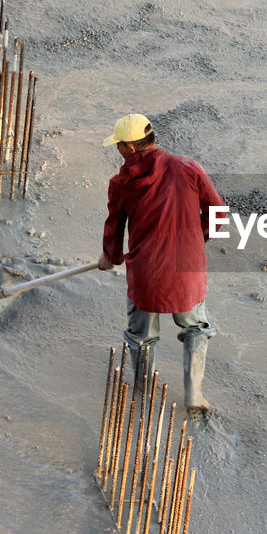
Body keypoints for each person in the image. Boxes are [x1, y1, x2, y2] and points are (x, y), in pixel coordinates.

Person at [99, 113, 224, 412]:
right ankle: (194, 393)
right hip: (187, 271)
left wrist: (110, 256)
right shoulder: (188, 168)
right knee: (196, 329)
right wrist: (196, 239)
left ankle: (143, 393)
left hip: (146, 274)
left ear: (130, 147)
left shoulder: (121, 183)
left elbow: (114, 227)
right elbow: (218, 212)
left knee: (141, 337)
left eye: (118, 145)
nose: (117, 150)